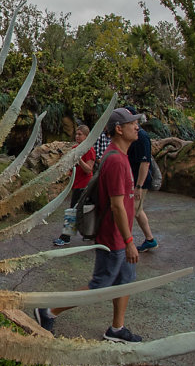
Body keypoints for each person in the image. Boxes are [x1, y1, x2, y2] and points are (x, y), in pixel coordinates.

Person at [34, 107, 143, 343]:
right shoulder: (115, 161)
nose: (137, 126)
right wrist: (129, 241)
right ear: (119, 129)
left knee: (125, 281)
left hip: (120, 236)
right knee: (100, 285)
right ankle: (48, 311)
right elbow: (116, 206)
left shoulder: (121, 156)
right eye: (132, 123)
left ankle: (116, 329)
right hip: (113, 238)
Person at [53, 124, 96, 246]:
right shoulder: (75, 148)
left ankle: (65, 237)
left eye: (80, 134)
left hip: (84, 186)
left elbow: (88, 169)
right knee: (83, 211)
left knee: (73, 211)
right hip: (76, 184)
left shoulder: (89, 150)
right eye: (76, 134)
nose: (77, 136)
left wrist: (79, 159)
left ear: (87, 136)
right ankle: (90, 234)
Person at [125, 106, 158, 251]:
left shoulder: (142, 136)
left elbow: (145, 163)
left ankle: (125, 242)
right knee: (137, 211)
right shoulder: (131, 134)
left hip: (140, 180)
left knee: (132, 210)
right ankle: (150, 239)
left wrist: (139, 186)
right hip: (133, 178)